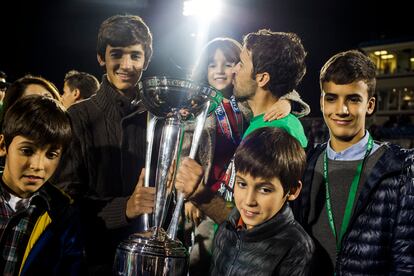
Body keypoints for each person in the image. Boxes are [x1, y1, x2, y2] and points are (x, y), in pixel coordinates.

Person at [182, 36, 310, 274]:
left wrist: (199, 195)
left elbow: (255, 219)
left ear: (261, 78)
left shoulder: (276, 132)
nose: (233, 71)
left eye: (240, 63)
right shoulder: (259, 121)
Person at [51, 14, 156, 274]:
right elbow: (65, 201)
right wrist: (125, 208)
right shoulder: (78, 116)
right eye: (116, 54)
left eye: (135, 55)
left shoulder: (160, 116)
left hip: (147, 257)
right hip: (93, 259)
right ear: (101, 57)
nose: (126, 65)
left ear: (146, 59)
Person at [293, 50, 414, 274]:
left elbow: (406, 262)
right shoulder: (306, 162)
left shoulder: (400, 171)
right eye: (332, 98)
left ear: (370, 105)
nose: (342, 110)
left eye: (353, 99)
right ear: (321, 102)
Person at [211, 127, 314, 275]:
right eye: (242, 184)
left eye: (265, 190)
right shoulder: (228, 227)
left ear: (292, 191)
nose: (248, 200)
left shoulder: (295, 246)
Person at [0, 95, 84, 275]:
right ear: (3, 146)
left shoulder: (62, 213)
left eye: (51, 155)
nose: (37, 166)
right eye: (27, 150)